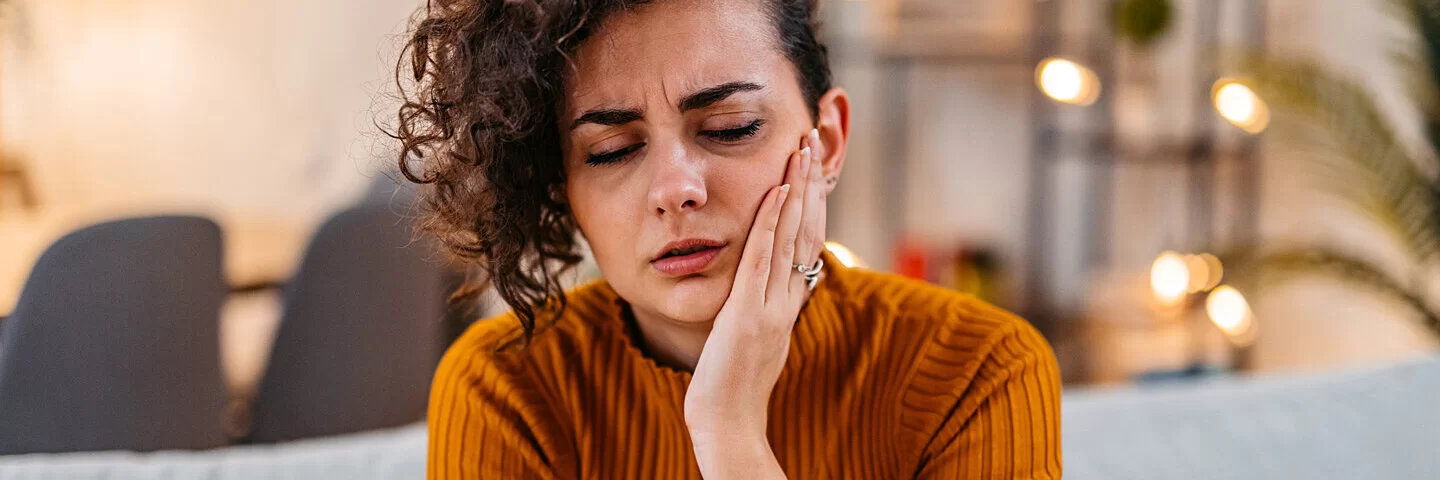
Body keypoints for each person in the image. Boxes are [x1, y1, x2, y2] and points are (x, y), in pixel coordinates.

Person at [393, 0, 1062, 477]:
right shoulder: (507, 390)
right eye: (613, 149)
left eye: (731, 127)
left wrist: (730, 433)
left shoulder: (978, 375)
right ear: (561, 186)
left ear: (825, 144)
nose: (675, 188)